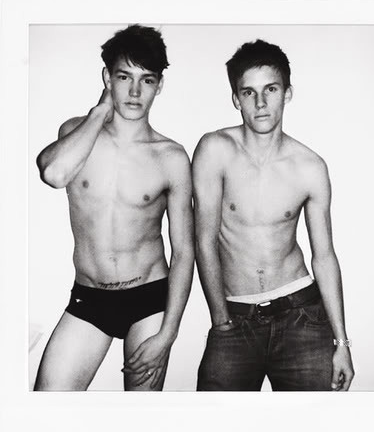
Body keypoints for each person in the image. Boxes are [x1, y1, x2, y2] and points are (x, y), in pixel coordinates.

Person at [34, 24, 194, 391]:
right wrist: (100, 112)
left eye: (147, 80)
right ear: (107, 78)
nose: (135, 92)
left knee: (140, 417)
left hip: (150, 299)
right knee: (49, 403)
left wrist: (168, 334)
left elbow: (184, 251)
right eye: (124, 77)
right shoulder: (77, 133)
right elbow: (54, 174)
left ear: (159, 86)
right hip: (89, 297)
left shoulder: (171, 157)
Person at [193, 39, 354, 391]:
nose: (261, 103)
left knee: (313, 421)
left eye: (271, 89)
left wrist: (342, 342)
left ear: (287, 93)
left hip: (302, 315)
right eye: (249, 93)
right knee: (212, 420)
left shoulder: (310, 167)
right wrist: (220, 320)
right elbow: (203, 241)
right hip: (235, 318)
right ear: (236, 99)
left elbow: (324, 256)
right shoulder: (215, 150)